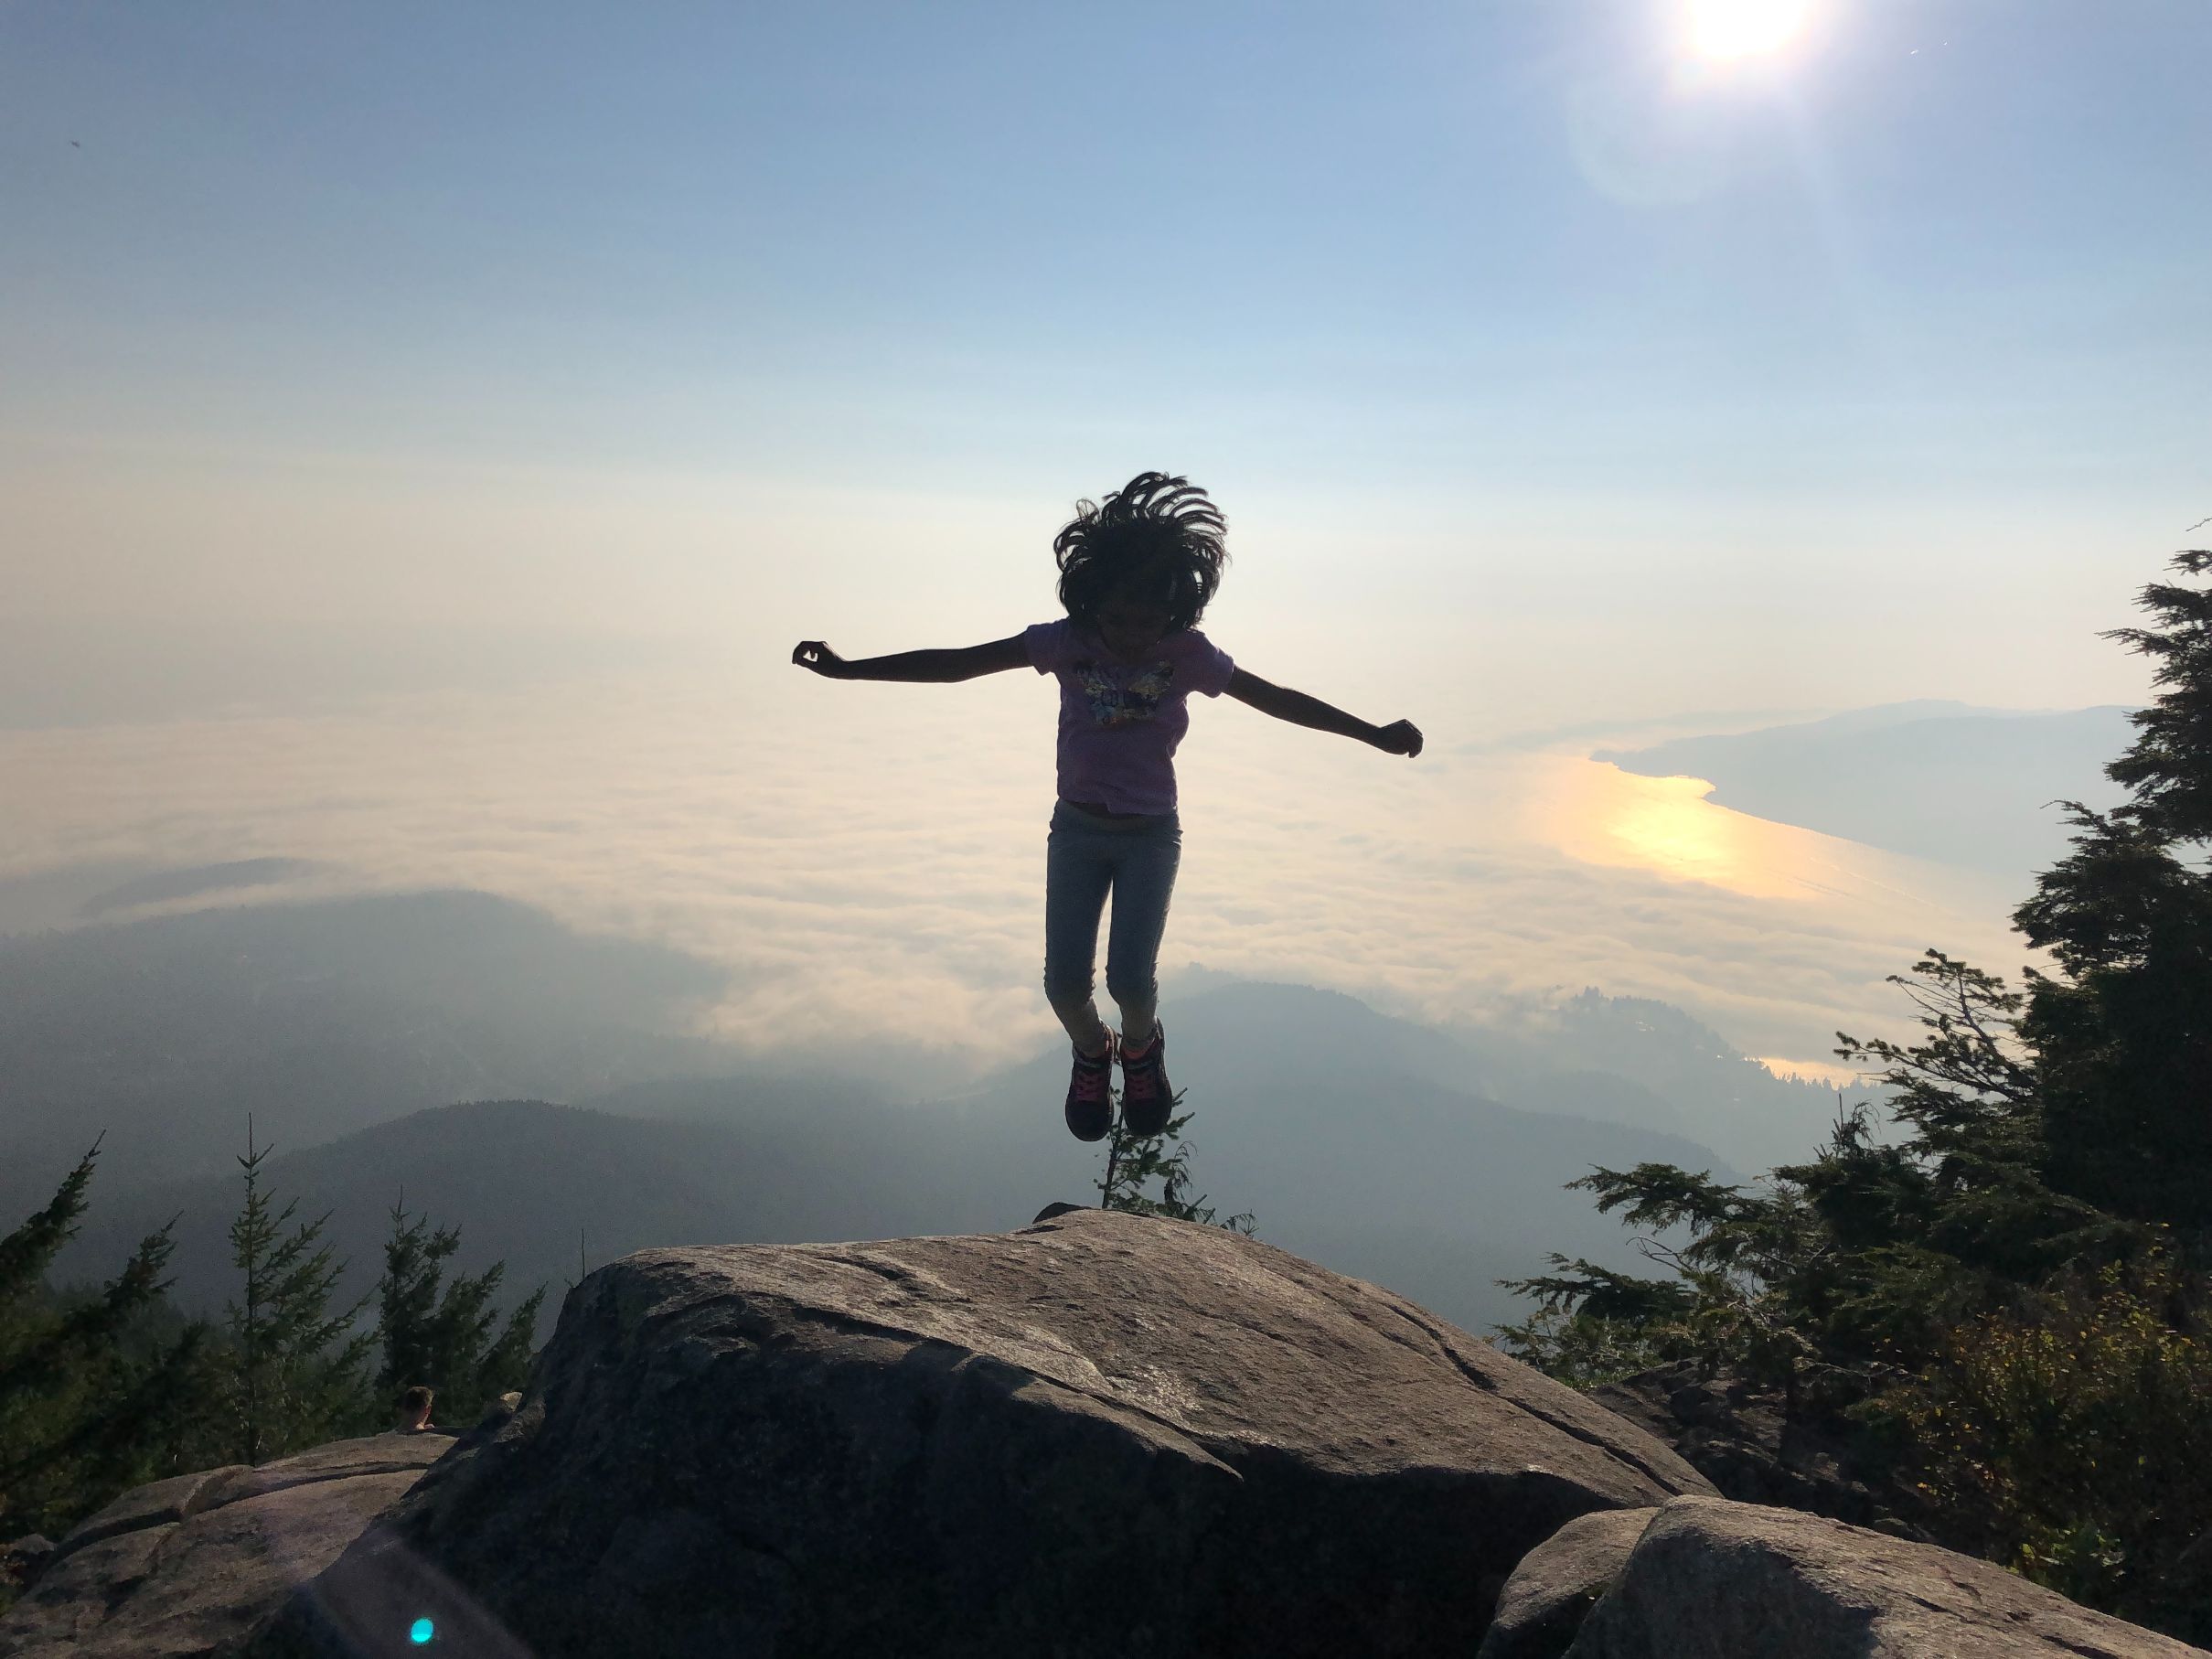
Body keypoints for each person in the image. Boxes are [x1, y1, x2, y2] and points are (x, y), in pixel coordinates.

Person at [793, 471, 1422, 1143]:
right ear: (1092, 603)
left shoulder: (1188, 656)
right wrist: (849, 668)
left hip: (1150, 835)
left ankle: (1141, 1051)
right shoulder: (1065, 642)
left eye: (1146, 621)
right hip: (1076, 830)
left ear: (1175, 613)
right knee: (1064, 988)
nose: (1128, 634)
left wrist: (1370, 733)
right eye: (1116, 618)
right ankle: (1092, 1054)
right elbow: (958, 664)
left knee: (1130, 981)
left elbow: (1275, 697)